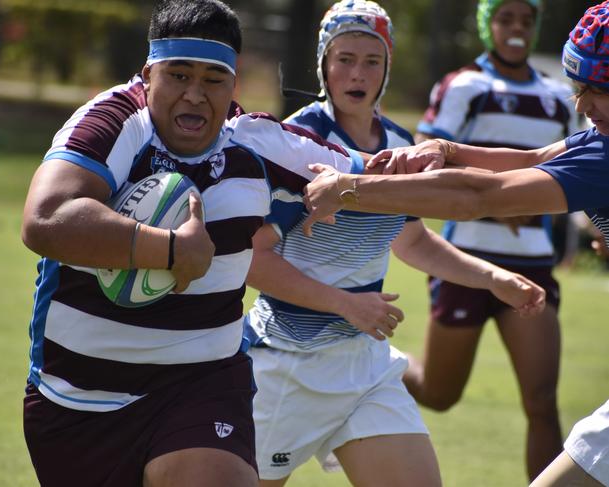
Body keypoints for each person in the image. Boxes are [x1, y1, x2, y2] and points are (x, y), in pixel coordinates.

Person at [19, 1, 378, 486]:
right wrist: (168, 250)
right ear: (149, 76)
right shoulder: (115, 123)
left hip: (200, 382)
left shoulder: (252, 142)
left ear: (234, 84)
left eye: (213, 79)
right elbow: (46, 220)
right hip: (78, 397)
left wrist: (475, 163)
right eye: (179, 75)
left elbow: (386, 175)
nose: (194, 94)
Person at [302, 3, 609, 485]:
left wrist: (348, 188)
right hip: (288, 352)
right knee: (442, 391)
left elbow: (476, 195)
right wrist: (446, 149)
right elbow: (532, 159)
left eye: (597, 91)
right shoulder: (595, 138)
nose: (582, 106)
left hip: (519, 266)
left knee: (542, 403)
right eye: (578, 89)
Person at [244, 2, 545, 486]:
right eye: (344, 58)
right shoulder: (295, 141)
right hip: (287, 364)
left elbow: (412, 240)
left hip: (365, 368)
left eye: (371, 60)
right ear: (323, 63)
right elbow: (250, 259)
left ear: (387, 68)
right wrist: (345, 304)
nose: (356, 73)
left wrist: (492, 277)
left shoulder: (400, 146)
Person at [409, 0, 582, 479]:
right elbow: (423, 159)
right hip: (464, 261)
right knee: (438, 394)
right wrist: (496, 197)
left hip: (531, 265)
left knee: (542, 402)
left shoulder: (559, 95)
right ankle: (377, 365)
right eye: (505, 18)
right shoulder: (465, 85)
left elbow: (576, 170)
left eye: (526, 20)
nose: (517, 29)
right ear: (488, 25)